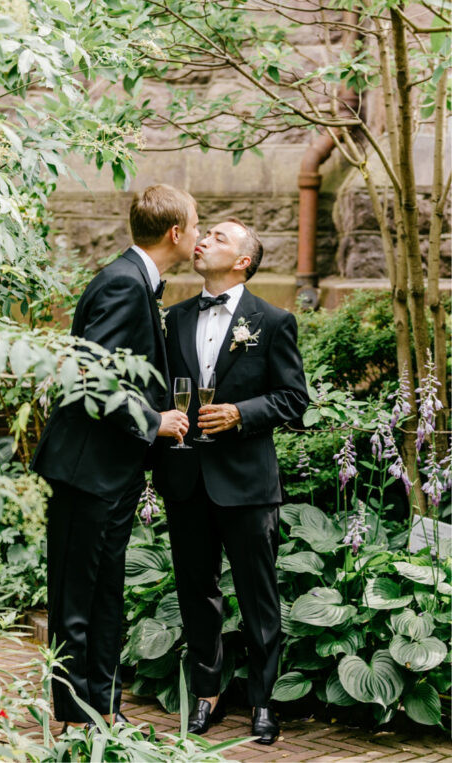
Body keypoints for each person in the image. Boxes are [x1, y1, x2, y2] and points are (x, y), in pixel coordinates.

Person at [30, 184, 195, 729]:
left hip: (112, 472)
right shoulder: (124, 285)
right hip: (84, 472)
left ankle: (101, 709)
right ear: (176, 232)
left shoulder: (134, 281)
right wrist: (154, 421)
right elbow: (88, 376)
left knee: (105, 596)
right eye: (196, 225)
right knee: (77, 600)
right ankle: (75, 717)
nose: (197, 235)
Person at [153, 218, 308, 745]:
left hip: (246, 482)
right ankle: (207, 693)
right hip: (185, 478)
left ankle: (264, 701)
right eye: (205, 234)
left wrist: (241, 413)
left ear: (244, 260)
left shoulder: (273, 320)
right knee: (197, 591)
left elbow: (293, 399)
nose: (204, 241)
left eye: (219, 237)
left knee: (258, 595)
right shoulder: (170, 320)